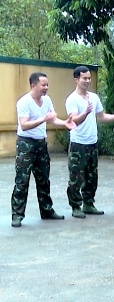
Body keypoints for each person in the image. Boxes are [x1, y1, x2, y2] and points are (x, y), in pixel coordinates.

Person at [65, 66, 114, 218]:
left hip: (92, 142)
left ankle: (88, 204)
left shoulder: (94, 97)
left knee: (92, 176)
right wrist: (85, 112)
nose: (88, 81)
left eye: (89, 78)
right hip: (78, 143)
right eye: (84, 78)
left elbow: (102, 117)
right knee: (76, 176)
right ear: (76, 79)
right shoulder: (72, 99)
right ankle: (76, 206)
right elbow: (74, 120)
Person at [11, 72, 76, 228]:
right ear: (33, 86)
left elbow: (52, 119)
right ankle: (17, 215)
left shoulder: (46, 100)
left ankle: (47, 211)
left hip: (41, 144)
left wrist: (64, 123)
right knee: (22, 180)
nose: (46, 88)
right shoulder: (24, 102)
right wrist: (43, 119)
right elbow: (24, 125)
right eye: (43, 85)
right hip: (26, 144)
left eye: (47, 85)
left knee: (44, 179)